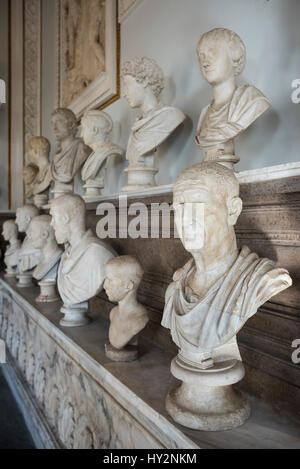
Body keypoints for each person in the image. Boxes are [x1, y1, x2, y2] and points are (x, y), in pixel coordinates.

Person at [195, 28, 270, 165]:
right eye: (201, 56)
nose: (205, 62)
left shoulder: (251, 100)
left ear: (234, 56)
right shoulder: (204, 113)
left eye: (212, 53)